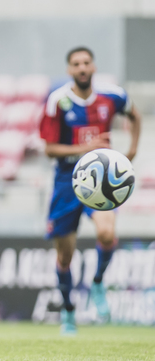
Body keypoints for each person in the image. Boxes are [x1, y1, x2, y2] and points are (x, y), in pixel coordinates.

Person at [39, 46, 140, 335]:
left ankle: (97, 282)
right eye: (76, 64)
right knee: (65, 257)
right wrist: (86, 148)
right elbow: (49, 149)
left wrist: (131, 151)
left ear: (93, 67)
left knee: (107, 233)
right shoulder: (58, 101)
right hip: (67, 181)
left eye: (86, 63)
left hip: (102, 180)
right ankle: (69, 311)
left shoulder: (112, 96)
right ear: (69, 70)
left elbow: (134, 115)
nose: (82, 68)